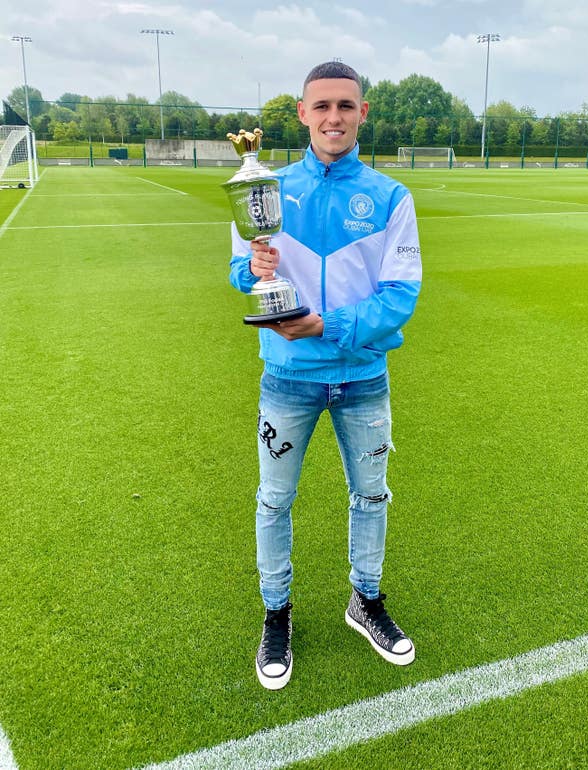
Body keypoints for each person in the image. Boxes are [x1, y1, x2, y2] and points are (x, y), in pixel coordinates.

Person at [229, 61, 422, 690]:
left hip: (363, 377)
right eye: (321, 107)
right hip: (288, 379)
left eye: (346, 106)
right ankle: (276, 615)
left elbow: (401, 295)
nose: (333, 117)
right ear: (303, 115)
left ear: (363, 113)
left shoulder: (392, 197)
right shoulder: (266, 189)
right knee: (274, 500)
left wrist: (325, 326)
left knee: (371, 496)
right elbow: (239, 274)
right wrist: (254, 268)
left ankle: (364, 601)